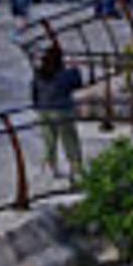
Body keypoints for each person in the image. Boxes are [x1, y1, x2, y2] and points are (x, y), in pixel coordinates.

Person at [32, 43, 84, 179]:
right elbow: (78, 83)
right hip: (62, 110)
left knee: (49, 140)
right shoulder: (65, 74)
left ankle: (52, 168)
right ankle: (76, 167)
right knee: (70, 139)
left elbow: (34, 92)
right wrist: (75, 67)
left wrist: (37, 106)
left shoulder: (39, 74)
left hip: (43, 110)